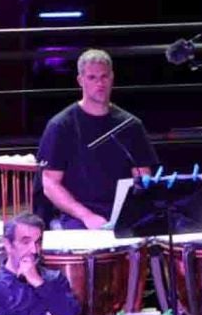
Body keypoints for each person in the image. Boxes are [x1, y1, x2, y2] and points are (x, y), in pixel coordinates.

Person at [36, 48, 156, 230]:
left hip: (123, 214)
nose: (99, 84)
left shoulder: (131, 125)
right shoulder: (61, 126)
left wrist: (131, 210)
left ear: (112, 78)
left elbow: (142, 176)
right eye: (92, 78)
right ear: (80, 80)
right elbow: (50, 184)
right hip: (78, 215)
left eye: (104, 77)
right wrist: (87, 216)